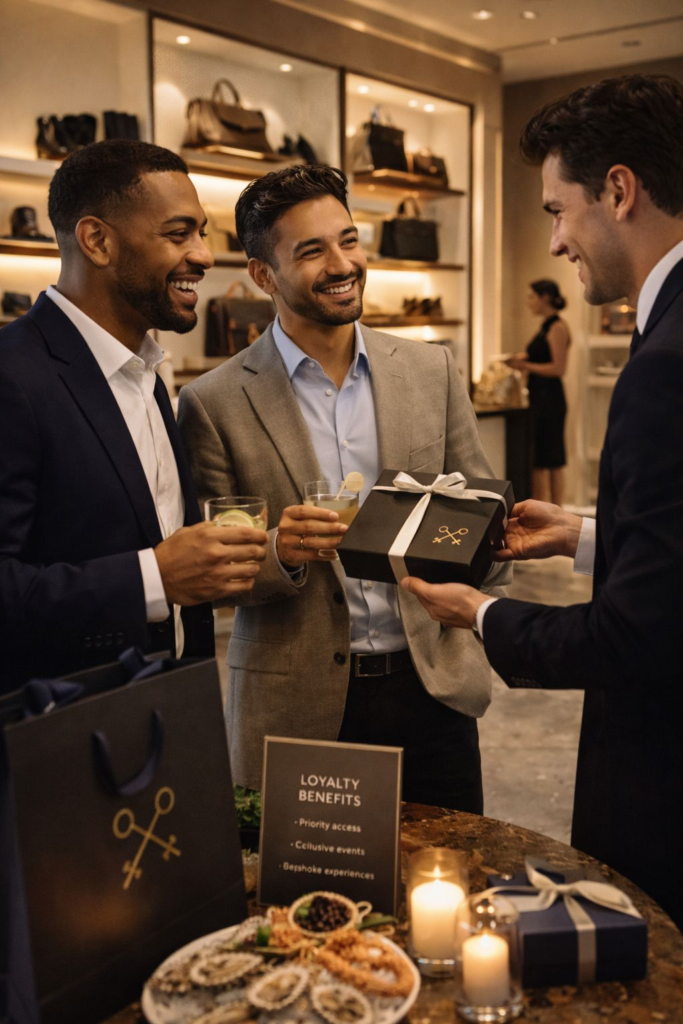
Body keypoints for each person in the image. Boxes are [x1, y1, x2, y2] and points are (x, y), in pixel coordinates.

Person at [401, 73, 683, 929]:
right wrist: (585, 536)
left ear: (619, 191)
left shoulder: (664, 367)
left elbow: (633, 639)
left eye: (557, 210)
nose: (555, 241)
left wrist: (478, 613)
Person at [178, 164, 510, 809]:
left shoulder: (429, 369)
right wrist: (279, 550)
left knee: (450, 881)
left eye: (348, 240)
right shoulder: (211, 403)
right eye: (312, 250)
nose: (342, 263)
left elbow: (482, 511)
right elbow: (210, 578)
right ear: (262, 275)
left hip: (431, 688)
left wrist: (478, 626)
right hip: (295, 704)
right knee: (310, 904)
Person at [0, 140, 268, 690]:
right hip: (59, 735)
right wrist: (154, 577)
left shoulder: (148, 370)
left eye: (202, 232)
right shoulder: (13, 376)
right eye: (179, 234)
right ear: (97, 241)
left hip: (170, 707)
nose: (204, 255)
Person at [507, 279, 570, 505]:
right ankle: (542, 505)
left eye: (532, 297)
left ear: (545, 298)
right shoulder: (544, 326)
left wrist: (526, 366)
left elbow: (559, 367)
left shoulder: (557, 328)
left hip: (550, 398)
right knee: (540, 457)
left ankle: (555, 507)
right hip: (539, 396)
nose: (529, 303)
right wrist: (524, 359)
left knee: (551, 458)